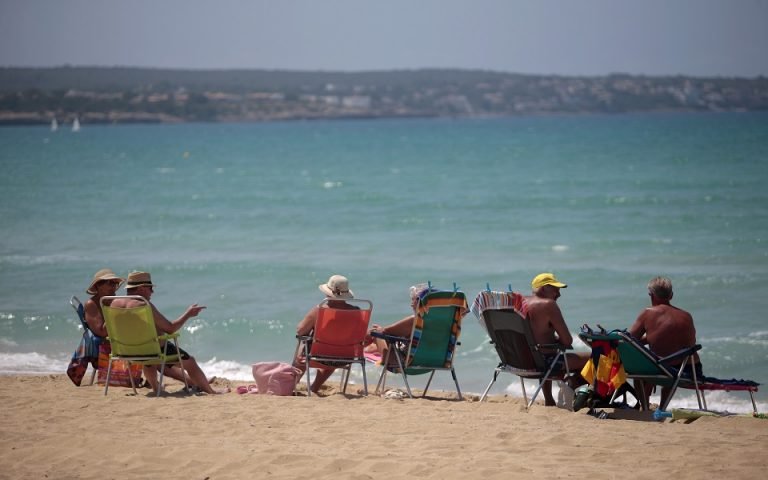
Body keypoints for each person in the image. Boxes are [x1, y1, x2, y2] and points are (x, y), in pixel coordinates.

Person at [110, 271, 228, 395]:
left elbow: (108, 327)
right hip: (152, 350)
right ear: (141, 288)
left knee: (148, 358)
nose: (152, 292)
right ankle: (211, 391)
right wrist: (188, 314)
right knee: (190, 362)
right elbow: (170, 328)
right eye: (150, 288)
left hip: (125, 351)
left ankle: (156, 388)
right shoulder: (143, 305)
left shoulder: (113, 303)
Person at [628, 276, 701, 408]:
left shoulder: (648, 313)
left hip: (662, 369)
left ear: (651, 295)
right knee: (668, 363)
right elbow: (690, 342)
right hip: (690, 370)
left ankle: (644, 407)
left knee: (640, 369)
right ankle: (662, 407)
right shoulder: (686, 315)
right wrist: (651, 337)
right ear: (671, 295)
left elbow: (630, 339)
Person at [525, 272, 589, 407]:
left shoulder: (521, 303)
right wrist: (558, 340)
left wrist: (549, 338)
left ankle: (549, 399)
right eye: (555, 290)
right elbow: (567, 341)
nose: (558, 294)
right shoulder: (548, 305)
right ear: (543, 288)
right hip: (545, 362)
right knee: (594, 358)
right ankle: (574, 385)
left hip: (524, 360)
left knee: (545, 353)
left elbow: (534, 333)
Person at [294, 274, 359, 394]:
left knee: (304, 345)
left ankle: (293, 382)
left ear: (328, 293)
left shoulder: (320, 310)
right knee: (336, 347)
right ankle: (315, 387)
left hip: (318, 356)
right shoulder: (356, 312)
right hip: (345, 358)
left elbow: (300, 330)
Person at [365, 283, 430, 365]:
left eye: (413, 300)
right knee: (383, 339)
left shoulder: (414, 321)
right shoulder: (440, 323)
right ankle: (364, 348)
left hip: (406, 362)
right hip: (433, 362)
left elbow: (385, 331)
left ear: (419, 300)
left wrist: (376, 331)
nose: (411, 304)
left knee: (377, 333)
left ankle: (358, 348)